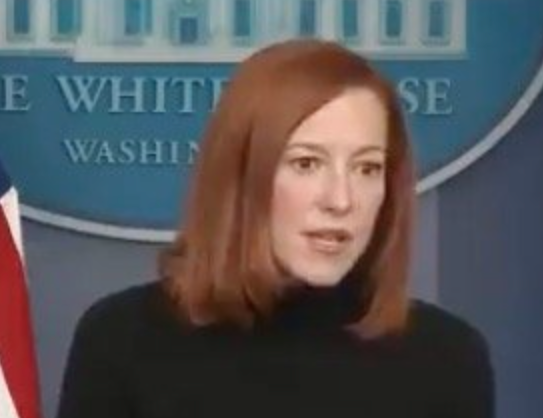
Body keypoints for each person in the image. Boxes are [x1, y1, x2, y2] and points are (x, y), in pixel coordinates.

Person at [56, 39, 494, 418]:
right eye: (306, 163)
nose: (341, 200)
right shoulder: (123, 340)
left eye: (367, 168)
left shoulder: (448, 358)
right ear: (240, 175)